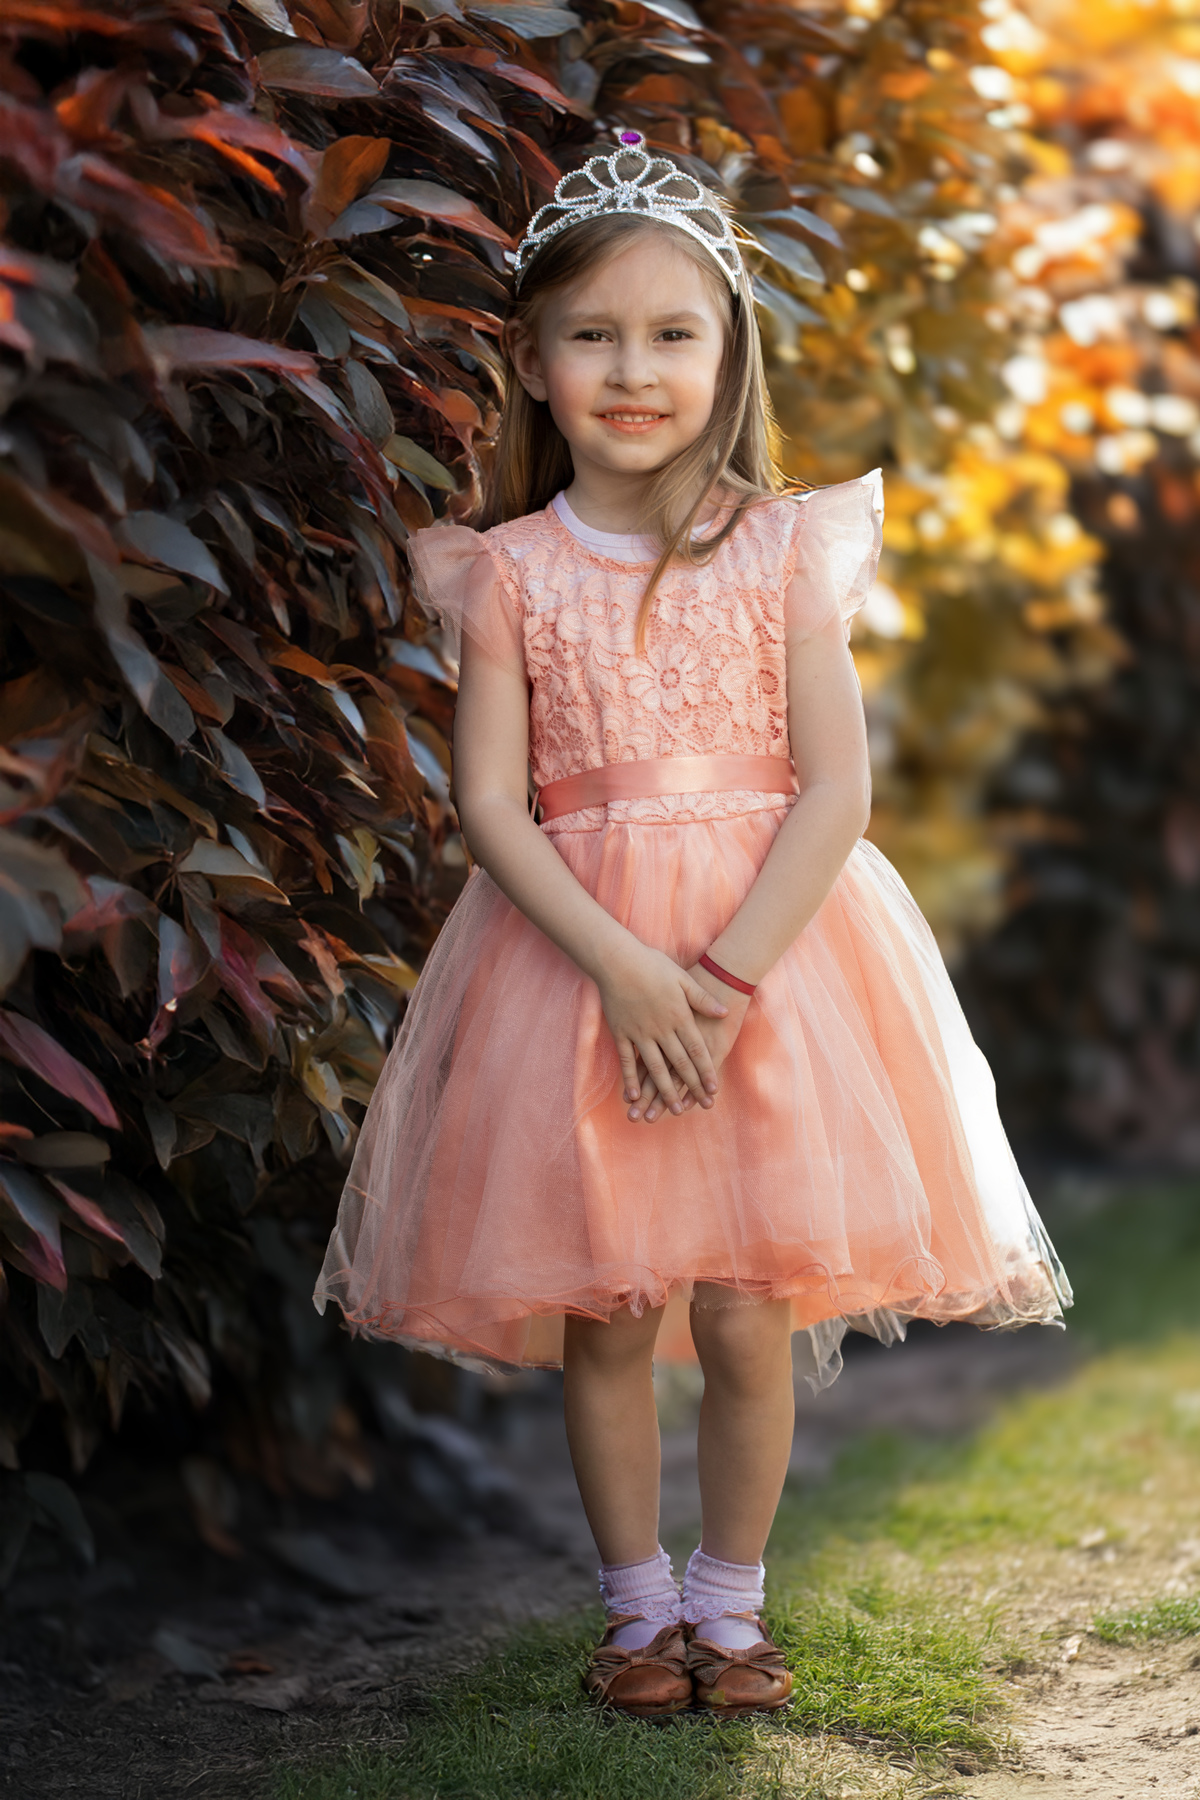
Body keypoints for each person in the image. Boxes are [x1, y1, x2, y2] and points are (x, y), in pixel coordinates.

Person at [314, 132, 1071, 1721]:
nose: (633, 370)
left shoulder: (781, 545)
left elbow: (837, 788)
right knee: (611, 1301)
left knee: (746, 1310)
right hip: (582, 965)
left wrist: (721, 977)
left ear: (730, 357)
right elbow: (496, 810)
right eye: (591, 336)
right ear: (532, 366)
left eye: (673, 335)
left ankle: (732, 1608)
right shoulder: (509, 572)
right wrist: (629, 969)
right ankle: (634, 1610)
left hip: (772, 959)